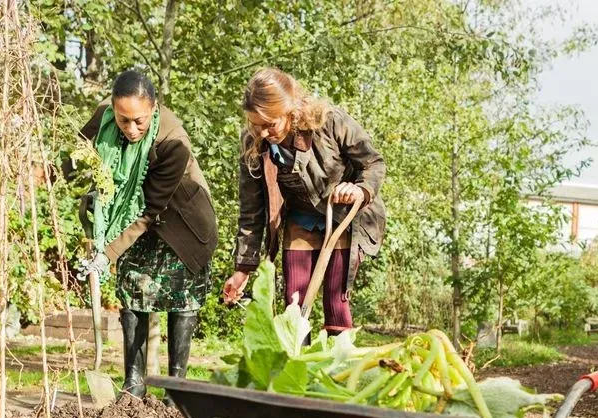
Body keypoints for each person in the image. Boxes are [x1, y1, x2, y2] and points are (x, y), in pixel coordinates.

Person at [74, 69, 217, 397]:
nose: (131, 129)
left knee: (181, 302)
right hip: (133, 224)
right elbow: (79, 155)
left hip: (181, 227)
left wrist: (107, 252)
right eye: (124, 120)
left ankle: (175, 389)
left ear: (153, 108)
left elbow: (148, 211)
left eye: (139, 120)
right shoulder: (106, 118)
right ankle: (134, 385)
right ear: (113, 108)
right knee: (133, 295)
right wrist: (51, 175)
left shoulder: (173, 141)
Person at [221, 67, 386, 335]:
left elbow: (373, 163)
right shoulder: (253, 142)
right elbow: (251, 210)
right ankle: (298, 368)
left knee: (336, 304)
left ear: (290, 111)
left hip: (343, 216)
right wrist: (243, 268)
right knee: (294, 306)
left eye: (270, 124)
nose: (262, 133)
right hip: (300, 218)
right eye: (255, 124)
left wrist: (360, 189)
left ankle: (339, 371)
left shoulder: (329, 122)